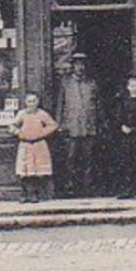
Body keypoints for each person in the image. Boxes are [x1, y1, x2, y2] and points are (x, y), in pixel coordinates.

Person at [54, 53, 101, 197]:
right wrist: (59, 123)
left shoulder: (91, 83)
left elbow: (98, 105)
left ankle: (87, 186)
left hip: (88, 125)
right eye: (77, 64)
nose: (80, 67)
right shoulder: (65, 83)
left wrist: (98, 122)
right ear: (72, 66)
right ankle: (70, 187)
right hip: (71, 125)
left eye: (82, 64)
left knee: (88, 157)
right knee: (70, 157)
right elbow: (60, 103)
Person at [10, 92, 58, 203]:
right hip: (26, 144)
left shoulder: (42, 114)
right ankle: (24, 193)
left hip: (39, 144)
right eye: (29, 101)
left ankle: (35, 194)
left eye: (34, 101)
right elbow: (12, 126)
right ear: (25, 102)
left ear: (38, 102)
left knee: (37, 170)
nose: (32, 104)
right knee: (25, 171)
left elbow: (53, 125)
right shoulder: (22, 114)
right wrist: (19, 133)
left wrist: (42, 133)